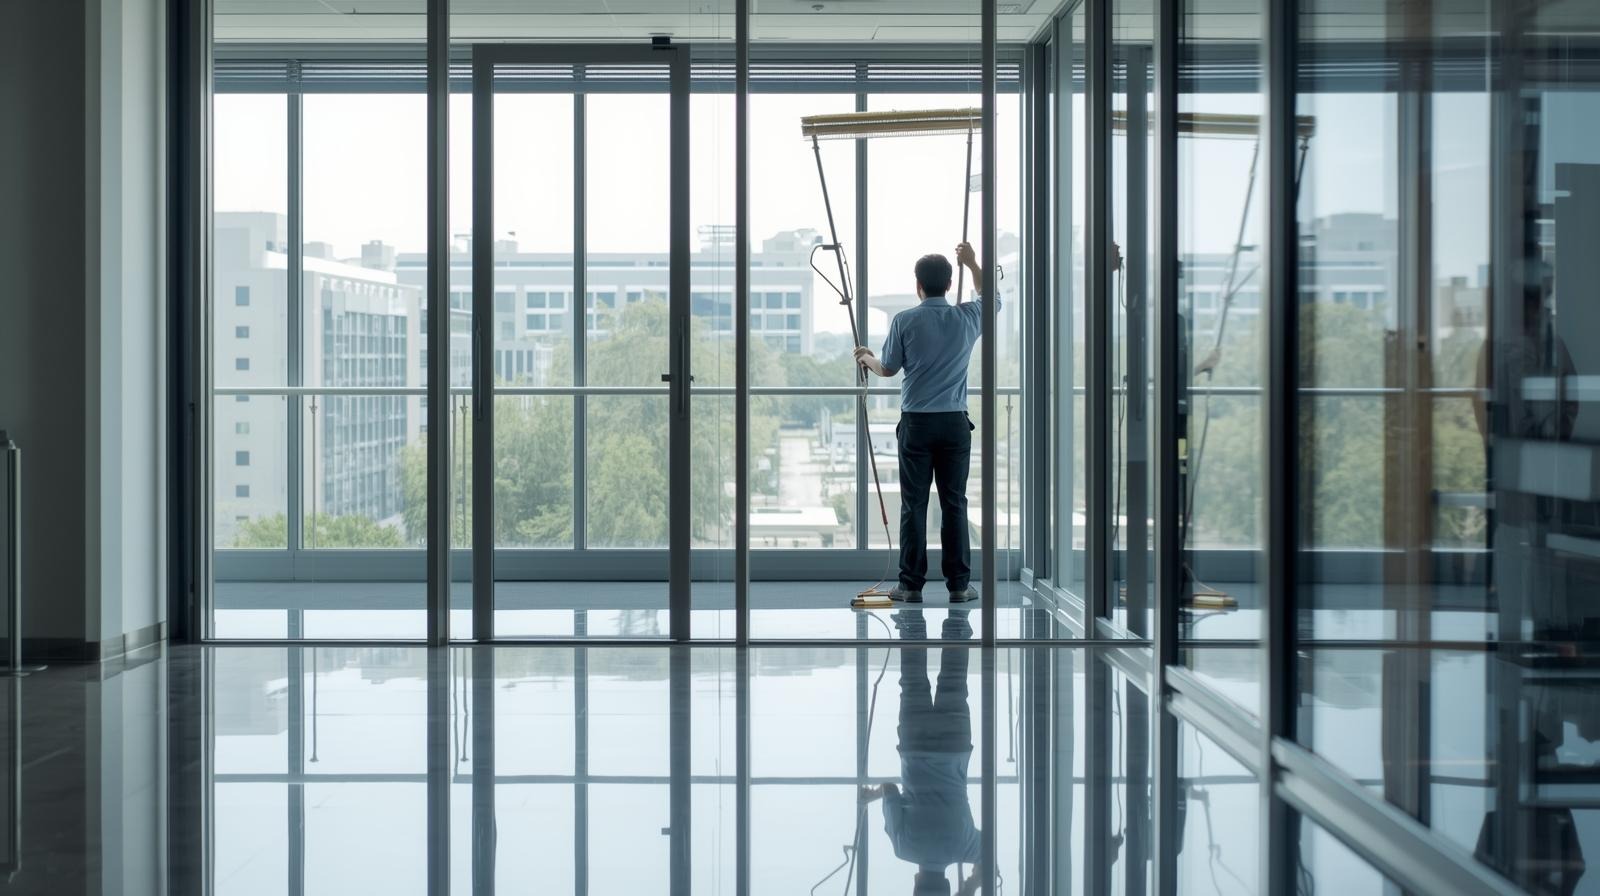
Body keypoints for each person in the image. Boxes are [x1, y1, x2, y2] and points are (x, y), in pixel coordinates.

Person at [854, 242, 994, 604]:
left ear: (918, 285)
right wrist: (973, 263)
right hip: (953, 423)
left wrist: (867, 357)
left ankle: (911, 585)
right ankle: (959, 586)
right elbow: (990, 296)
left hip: (916, 423)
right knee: (954, 503)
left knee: (914, 504)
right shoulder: (967, 317)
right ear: (949, 284)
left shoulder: (905, 320)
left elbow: (887, 369)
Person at [859, 608, 984, 896]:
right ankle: (912, 618)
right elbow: (890, 790)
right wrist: (870, 796)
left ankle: (958, 611)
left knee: (954, 679)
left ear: (947, 884)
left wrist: (968, 889)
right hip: (915, 746)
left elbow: (987, 859)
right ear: (915, 885)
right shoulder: (904, 849)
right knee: (912, 680)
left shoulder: (963, 848)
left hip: (955, 746)